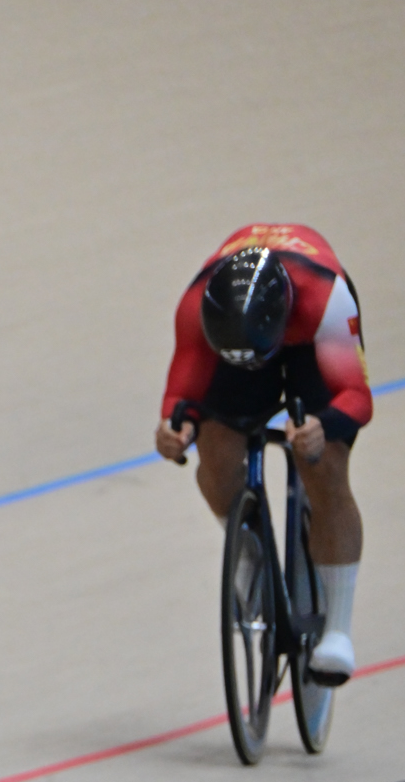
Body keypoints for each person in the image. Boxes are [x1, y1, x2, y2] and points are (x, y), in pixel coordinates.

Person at [155, 224, 372, 683]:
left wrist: (322, 425)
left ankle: (338, 630)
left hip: (311, 341)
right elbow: (182, 394)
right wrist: (175, 430)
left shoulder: (326, 300)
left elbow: (356, 397)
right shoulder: (197, 307)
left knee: (325, 463)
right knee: (214, 454)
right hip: (238, 338)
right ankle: (251, 555)